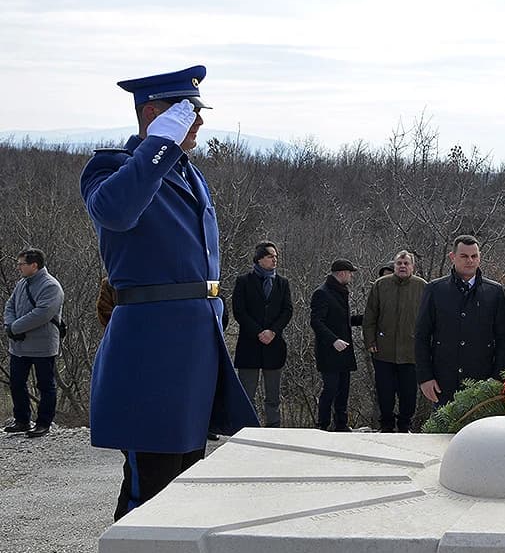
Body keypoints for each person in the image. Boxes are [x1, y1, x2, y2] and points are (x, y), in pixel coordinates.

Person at [81, 65, 258, 520]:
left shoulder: (188, 174)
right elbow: (116, 212)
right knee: (151, 489)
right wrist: (158, 145)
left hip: (196, 345)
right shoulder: (111, 169)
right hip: (151, 350)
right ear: (154, 113)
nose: (198, 123)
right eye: (188, 112)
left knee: (185, 481)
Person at [414, 235, 505, 418]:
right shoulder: (435, 289)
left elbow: (503, 338)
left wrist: (498, 379)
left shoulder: (494, 291)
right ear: (453, 257)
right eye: (464, 256)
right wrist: (425, 377)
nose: (470, 261)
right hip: (444, 381)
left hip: (482, 382)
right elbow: (422, 335)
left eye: (474, 256)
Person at [363, 250, 428, 432]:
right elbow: (370, 316)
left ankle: (405, 425)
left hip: (410, 352)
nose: (402, 266)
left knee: (409, 394)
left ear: (412, 267)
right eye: (399, 263)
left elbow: (430, 320)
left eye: (406, 264)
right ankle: (386, 425)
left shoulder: (422, 287)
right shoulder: (380, 285)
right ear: (394, 266)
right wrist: (370, 341)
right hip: (384, 350)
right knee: (385, 393)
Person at [231, 241, 293, 428]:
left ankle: (273, 426)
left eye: (276, 256)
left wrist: (273, 331)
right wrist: (259, 331)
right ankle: (246, 426)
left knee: (273, 394)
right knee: (247, 392)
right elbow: (239, 311)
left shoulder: (282, 283)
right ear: (259, 260)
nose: (275, 260)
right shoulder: (243, 281)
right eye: (270, 256)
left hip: (274, 345)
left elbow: (287, 310)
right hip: (250, 344)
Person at [4, 248, 65, 438]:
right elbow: (10, 305)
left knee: (45, 385)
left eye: (21, 264)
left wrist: (15, 328)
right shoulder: (22, 284)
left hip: (43, 345)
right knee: (17, 383)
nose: (18, 267)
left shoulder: (51, 286)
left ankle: (43, 423)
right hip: (19, 346)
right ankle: (22, 420)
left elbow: (42, 314)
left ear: (34, 265)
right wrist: (10, 324)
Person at [310, 259, 360, 432]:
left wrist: (363, 319)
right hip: (329, 352)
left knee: (343, 390)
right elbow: (316, 322)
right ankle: (322, 425)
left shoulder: (340, 292)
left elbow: (341, 320)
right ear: (341, 273)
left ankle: (341, 424)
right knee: (330, 389)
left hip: (344, 351)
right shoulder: (322, 293)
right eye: (350, 273)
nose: (352, 276)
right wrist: (333, 340)